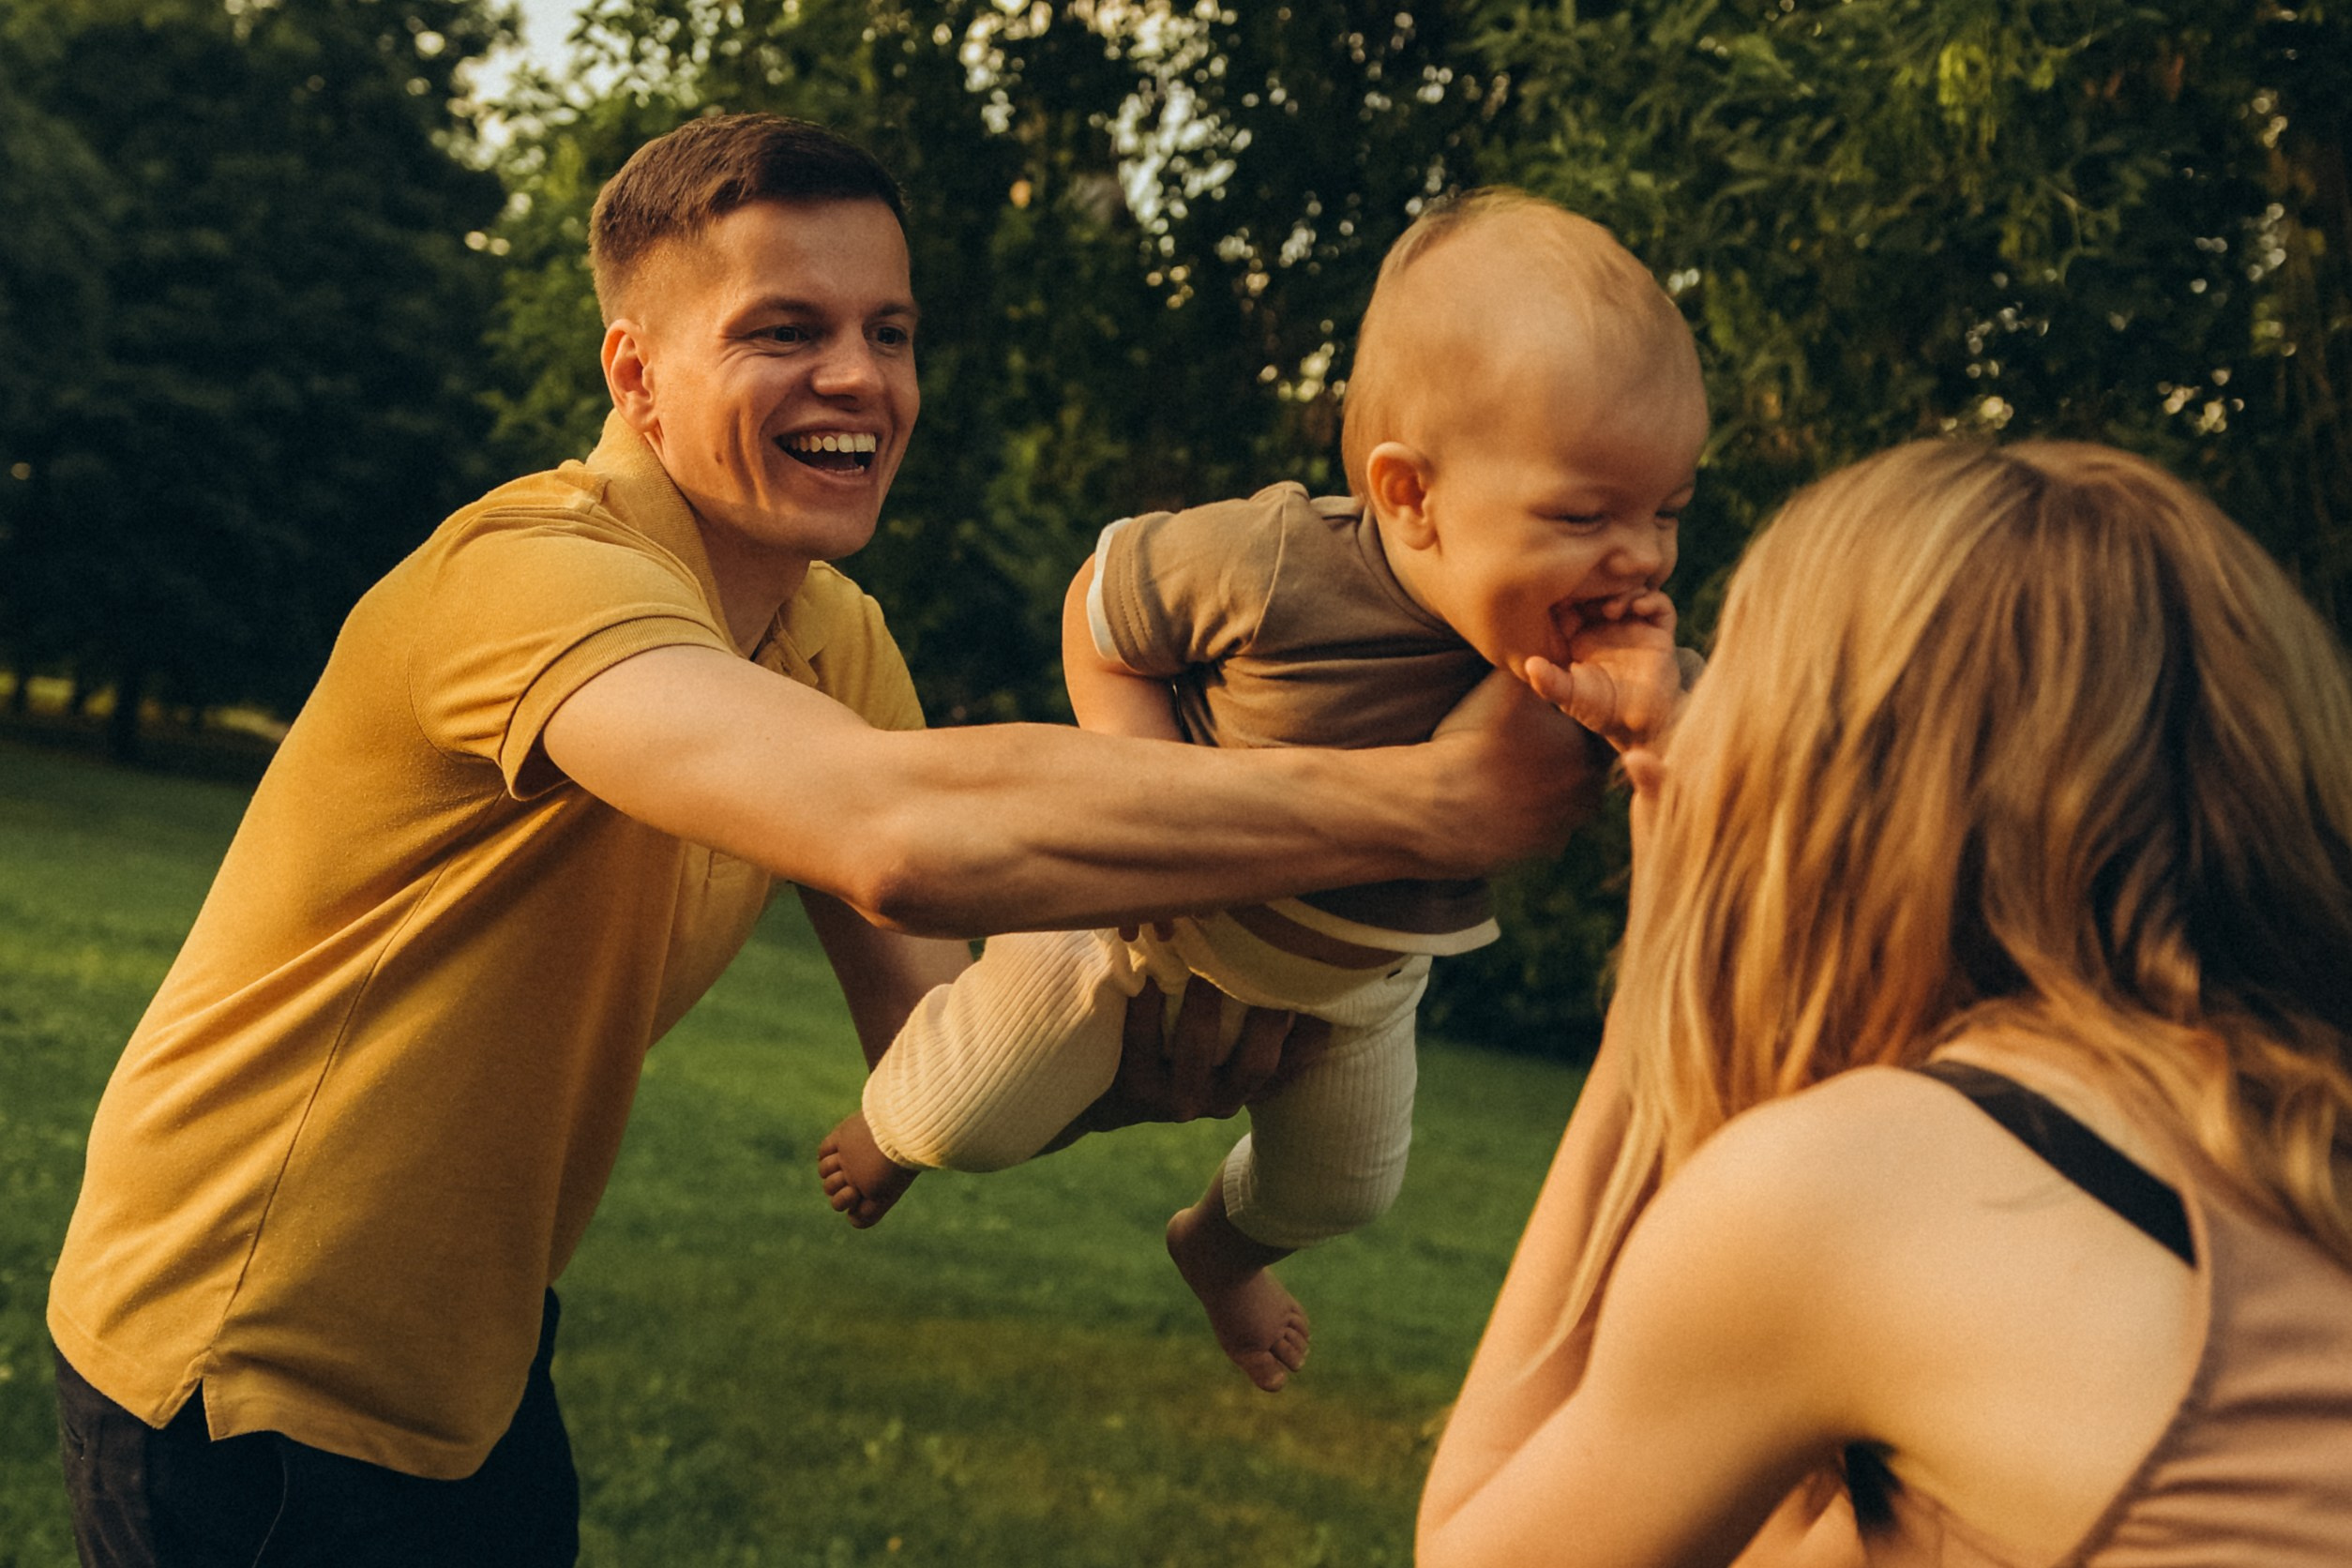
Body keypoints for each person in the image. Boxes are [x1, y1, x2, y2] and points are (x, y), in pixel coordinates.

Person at [43, 114, 1603, 1568]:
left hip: (473, 1354)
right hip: (239, 1363)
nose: (858, 378)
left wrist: (1127, 1065)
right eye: (783, 330)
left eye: (889, 331)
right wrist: (1430, 809)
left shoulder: (829, 635)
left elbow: (928, 1024)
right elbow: (894, 834)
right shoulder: (527, 578)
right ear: (635, 373)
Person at [816, 188, 1709, 1394]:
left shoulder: (1597, 653)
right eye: (1585, 514)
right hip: (1140, 921)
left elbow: (1717, 775)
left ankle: (1219, 1251)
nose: (1640, 559)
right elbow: (1100, 614)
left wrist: (1669, 722)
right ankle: (893, 1123)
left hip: (1359, 988)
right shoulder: (1281, 563)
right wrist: (1155, 799)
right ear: (1412, 497)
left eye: (1667, 513)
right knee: (967, 1115)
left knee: (1346, 1187)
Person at [1418, 439, 2352, 1566]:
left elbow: (1475, 1550)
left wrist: (1667, 949)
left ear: (1832, 784)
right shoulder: (2262, 1160)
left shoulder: (1864, 1191)